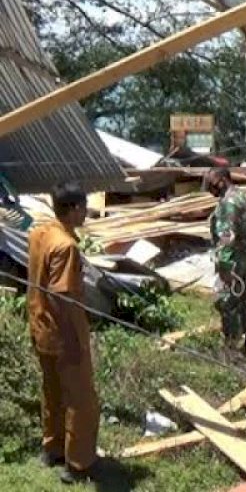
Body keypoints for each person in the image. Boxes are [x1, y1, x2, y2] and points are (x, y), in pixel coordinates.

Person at [27, 181, 100, 485]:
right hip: (63, 334)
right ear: (73, 209)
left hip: (41, 327)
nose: (86, 213)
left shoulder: (40, 233)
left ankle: (52, 448)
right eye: (84, 208)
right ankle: (78, 464)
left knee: (52, 391)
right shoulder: (65, 246)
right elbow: (62, 295)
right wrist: (74, 341)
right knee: (81, 400)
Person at [204, 167, 246, 354]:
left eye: (211, 184)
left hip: (233, 263)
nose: (210, 189)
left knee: (228, 303)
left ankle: (231, 347)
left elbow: (226, 238)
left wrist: (224, 266)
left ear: (222, 180)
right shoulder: (244, 198)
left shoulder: (227, 204)